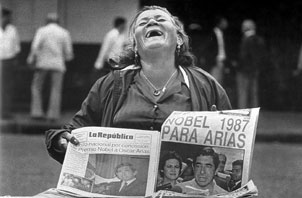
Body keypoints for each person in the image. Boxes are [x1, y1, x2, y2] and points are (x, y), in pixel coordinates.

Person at [45, 5, 232, 164]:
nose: (152, 22)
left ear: (180, 39)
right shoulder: (111, 84)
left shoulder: (206, 85)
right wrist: (61, 140)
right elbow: (76, 131)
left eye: (160, 19)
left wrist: (217, 133)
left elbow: (231, 150)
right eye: (143, 23)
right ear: (135, 45)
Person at [27, 12, 73, 121]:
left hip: (42, 63)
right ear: (58, 21)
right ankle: (53, 114)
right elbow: (68, 52)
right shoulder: (64, 32)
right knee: (56, 89)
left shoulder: (41, 31)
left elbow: (35, 46)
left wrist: (30, 59)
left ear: (47, 21)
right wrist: (67, 59)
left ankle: (36, 112)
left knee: (36, 87)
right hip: (58, 64)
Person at [236, 19, 266, 109]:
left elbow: (243, 56)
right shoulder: (260, 40)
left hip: (244, 71)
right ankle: (254, 113)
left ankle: (243, 112)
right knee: (254, 93)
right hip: (255, 70)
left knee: (243, 93)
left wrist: (238, 66)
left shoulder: (246, 39)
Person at [0, 7, 20, 119]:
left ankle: (5, 112)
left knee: (7, 88)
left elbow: (16, 47)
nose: (9, 19)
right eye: (8, 17)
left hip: (8, 61)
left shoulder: (12, 29)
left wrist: (15, 60)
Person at [93, 17, 127, 81]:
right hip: (110, 63)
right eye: (124, 25)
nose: (125, 27)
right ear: (121, 25)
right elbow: (104, 49)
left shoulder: (122, 36)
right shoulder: (111, 35)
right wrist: (98, 64)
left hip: (118, 63)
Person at [205, 16, 229, 85]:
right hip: (215, 62)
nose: (226, 24)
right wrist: (213, 58)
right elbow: (208, 48)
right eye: (224, 22)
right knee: (214, 82)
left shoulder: (223, 33)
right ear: (220, 23)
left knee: (220, 82)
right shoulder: (212, 33)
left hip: (222, 61)